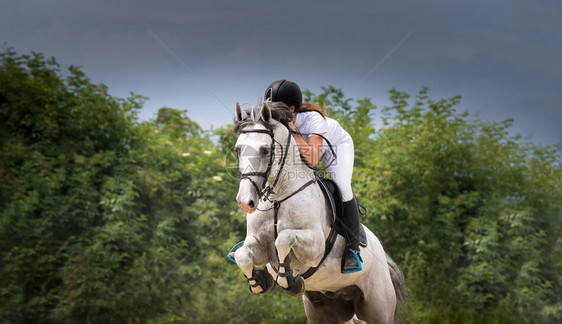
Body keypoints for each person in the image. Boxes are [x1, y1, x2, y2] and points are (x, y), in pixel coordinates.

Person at [264, 79, 363, 273]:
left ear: (292, 108)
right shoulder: (275, 123)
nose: (273, 115)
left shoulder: (313, 120)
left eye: (277, 110)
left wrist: (293, 132)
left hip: (336, 146)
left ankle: (353, 248)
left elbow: (312, 159)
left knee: (341, 186)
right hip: (307, 148)